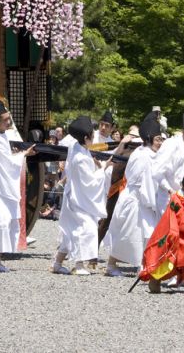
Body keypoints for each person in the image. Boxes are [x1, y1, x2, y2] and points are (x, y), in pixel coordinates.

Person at [52, 116, 112, 275]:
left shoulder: (75, 147)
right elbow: (91, 181)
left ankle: (57, 263)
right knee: (85, 229)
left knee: (70, 231)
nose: (94, 137)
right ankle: (78, 265)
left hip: (75, 195)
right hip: (79, 198)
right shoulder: (81, 157)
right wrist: (104, 167)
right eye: (92, 135)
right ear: (86, 138)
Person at [0, 99, 35, 272]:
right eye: (5, 120)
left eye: (8, 118)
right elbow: (6, 163)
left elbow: (7, 160)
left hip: (4, 186)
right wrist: (24, 154)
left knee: (7, 221)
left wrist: (20, 155)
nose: (8, 122)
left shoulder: (2, 136)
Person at [105, 115, 163, 276]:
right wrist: (152, 202)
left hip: (140, 198)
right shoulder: (143, 156)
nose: (160, 143)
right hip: (138, 199)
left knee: (141, 234)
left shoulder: (146, 153)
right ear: (150, 139)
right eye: (158, 139)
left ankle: (141, 265)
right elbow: (142, 182)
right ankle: (135, 266)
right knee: (132, 233)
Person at [139, 170, 184, 295]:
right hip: (180, 236)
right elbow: (171, 217)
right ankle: (155, 279)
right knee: (172, 262)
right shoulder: (177, 198)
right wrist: (173, 233)